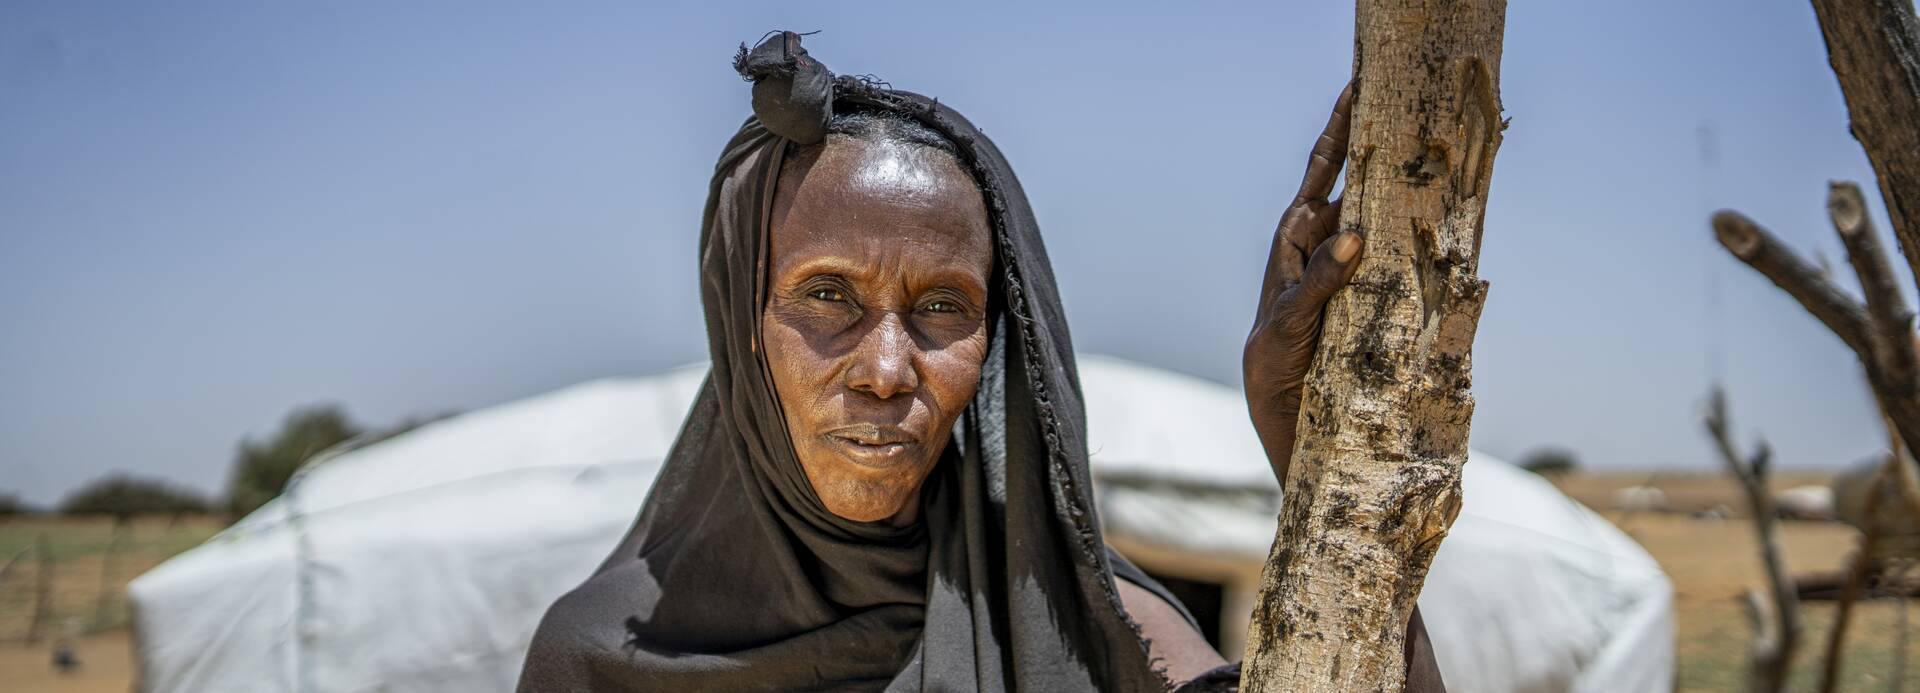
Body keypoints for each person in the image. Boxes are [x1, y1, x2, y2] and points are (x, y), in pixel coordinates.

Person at [517, 31, 1444, 692]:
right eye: (827, 296)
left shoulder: (1091, 627)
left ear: (996, 338)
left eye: (942, 309)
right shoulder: (600, 658)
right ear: (742, 321)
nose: (887, 368)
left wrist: (1312, 453)